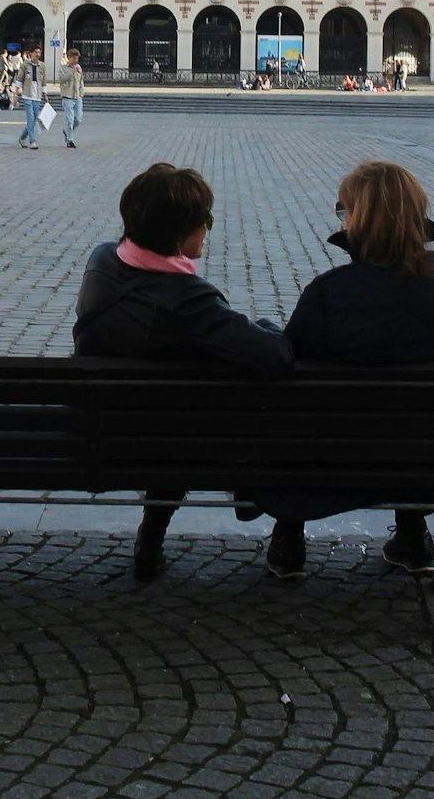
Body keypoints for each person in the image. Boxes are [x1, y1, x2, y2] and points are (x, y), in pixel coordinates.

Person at [279, 160, 434, 578]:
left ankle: (287, 539)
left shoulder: (329, 295)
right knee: (419, 403)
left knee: (299, 410)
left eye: (344, 211)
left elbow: (291, 368)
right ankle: (416, 535)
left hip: (337, 459)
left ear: (358, 220)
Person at [73, 162, 294, 581]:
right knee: (219, 404)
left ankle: (150, 540)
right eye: (204, 221)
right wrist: (265, 325)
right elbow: (274, 357)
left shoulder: (102, 260)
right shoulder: (189, 302)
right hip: (165, 439)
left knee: (166, 408)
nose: (208, 229)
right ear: (179, 234)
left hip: (93, 429)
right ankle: (259, 494)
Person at [16, 45, 48, 149]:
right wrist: (16, 94)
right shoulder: (25, 64)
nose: (37, 54)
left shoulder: (42, 66)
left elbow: (43, 81)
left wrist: (45, 94)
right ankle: (32, 141)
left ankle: (22, 137)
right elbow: (20, 78)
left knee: (33, 120)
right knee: (30, 119)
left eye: (39, 52)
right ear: (31, 53)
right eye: (35, 52)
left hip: (37, 95)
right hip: (27, 94)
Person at [59, 48, 85, 148]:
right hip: (67, 96)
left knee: (78, 119)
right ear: (69, 58)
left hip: (77, 96)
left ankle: (67, 131)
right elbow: (61, 80)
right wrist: (72, 72)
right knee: (70, 120)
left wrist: (82, 92)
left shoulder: (79, 67)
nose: (76, 60)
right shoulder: (63, 68)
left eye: (77, 58)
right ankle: (70, 140)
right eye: (74, 58)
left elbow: (81, 81)